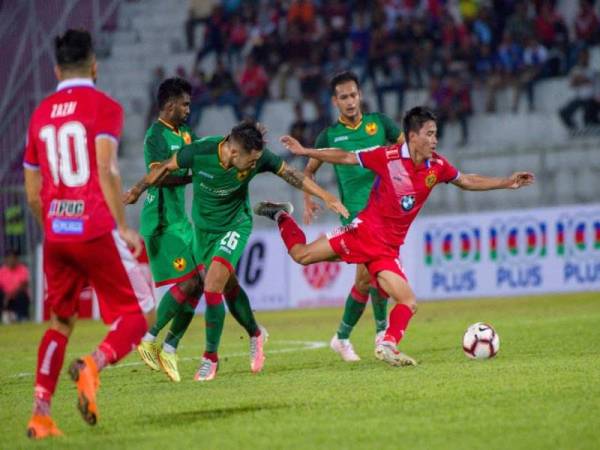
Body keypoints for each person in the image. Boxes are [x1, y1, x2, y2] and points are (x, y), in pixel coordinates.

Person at [254, 106, 534, 367]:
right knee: (301, 255)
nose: (435, 140)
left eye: (436, 134)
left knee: (408, 301)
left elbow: (467, 180)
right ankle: (281, 216)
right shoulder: (387, 156)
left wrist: (507, 182)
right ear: (413, 137)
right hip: (361, 232)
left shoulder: (437, 166)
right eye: (429, 134)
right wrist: (306, 151)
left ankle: (387, 343)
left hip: (387, 250)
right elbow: (345, 156)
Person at [124, 121, 347, 381]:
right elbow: (163, 167)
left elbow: (292, 175)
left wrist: (326, 196)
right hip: (203, 230)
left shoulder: (257, 157)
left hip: (235, 225)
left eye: (256, 162)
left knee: (212, 284)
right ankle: (254, 333)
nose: (254, 166)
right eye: (250, 162)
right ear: (233, 153)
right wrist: (137, 190)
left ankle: (209, 359)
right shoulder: (199, 151)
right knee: (221, 285)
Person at [23, 29, 155, 439]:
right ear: (95, 66)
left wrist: (55, 227)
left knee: (61, 321)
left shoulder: (40, 114)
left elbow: (31, 193)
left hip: (55, 233)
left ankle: (40, 414)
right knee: (142, 311)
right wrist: (122, 227)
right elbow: (107, 168)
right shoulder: (104, 107)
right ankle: (93, 363)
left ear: (56, 68)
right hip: (95, 227)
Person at [304, 71, 403, 362]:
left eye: (353, 95)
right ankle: (381, 333)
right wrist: (311, 199)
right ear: (335, 101)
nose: (350, 101)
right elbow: (308, 171)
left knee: (365, 280)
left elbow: (406, 152)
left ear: (360, 95)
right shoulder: (330, 136)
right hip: (356, 217)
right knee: (376, 273)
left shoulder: (380, 124)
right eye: (343, 97)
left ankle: (343, 337)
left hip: (385, 213)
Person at [135, 77, 203, 383]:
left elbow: (203, 157)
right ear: (170, 104)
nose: (189, 109)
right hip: (161, 222)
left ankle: (171, 347)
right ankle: (149, 338)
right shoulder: (155, 137)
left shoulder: (187, 133)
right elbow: (157, 177)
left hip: (182, 221)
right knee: (190, 281)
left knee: (201, 282)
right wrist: (191, 177)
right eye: (185, 104)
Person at [0, 250, 30, 323]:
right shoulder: (2, 271)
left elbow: (23, 285)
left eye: (13, 258)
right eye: (9, 258)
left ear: (17, 259)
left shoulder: (23, 269)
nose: (11, 260)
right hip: (5, 297)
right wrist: (6, 297)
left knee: (22, 295)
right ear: (6, 259)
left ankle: (22, 318)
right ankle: (5, 315)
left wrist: (10, 295)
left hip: (17, 296)